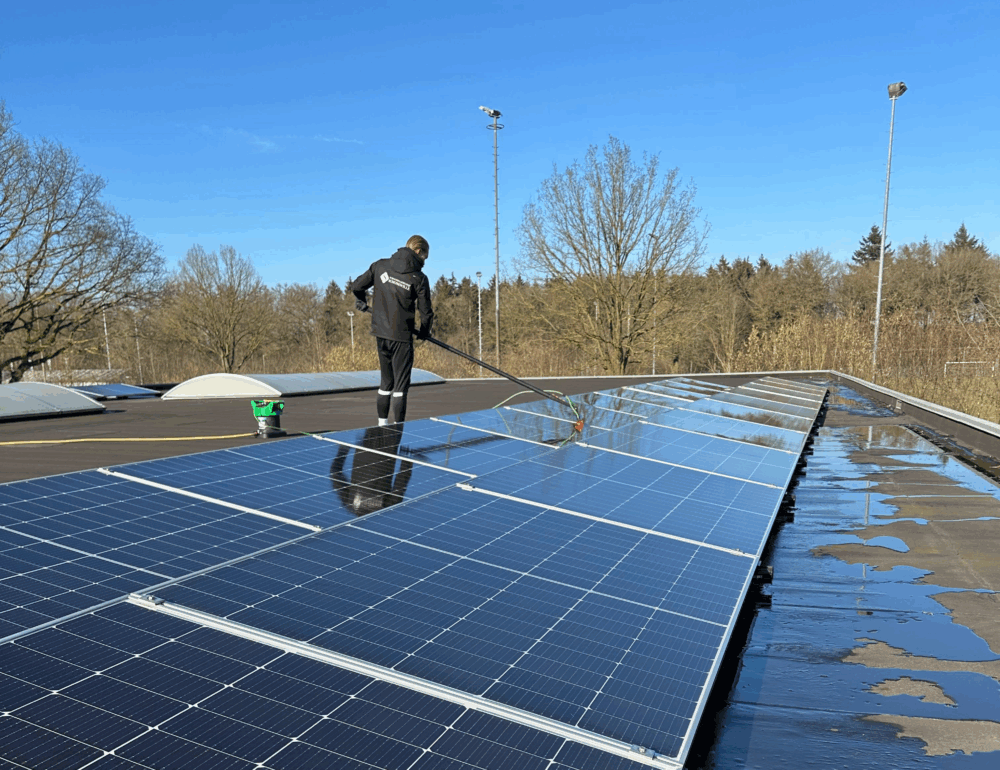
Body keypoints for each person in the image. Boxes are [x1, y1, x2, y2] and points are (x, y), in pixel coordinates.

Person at [351, 235, 434, 425]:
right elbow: (426, 312)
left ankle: (382, 425)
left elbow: (357, 286)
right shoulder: (419, 278)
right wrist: (424, 331)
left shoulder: (380, 266)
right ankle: (398, 429)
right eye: (425, 257)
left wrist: (362, 301)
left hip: (381, 334)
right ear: (419, 251)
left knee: (386, 382)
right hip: (402, 337)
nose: (424, 262)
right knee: (400, 387)